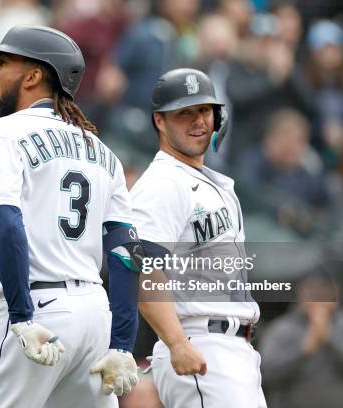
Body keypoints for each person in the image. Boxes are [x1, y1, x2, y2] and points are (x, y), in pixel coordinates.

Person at [0, 25, 141, 407]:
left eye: (3, 62)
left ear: (33, 76)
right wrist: (123, 343)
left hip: (37, 308)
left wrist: (20, 315)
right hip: (95, 316)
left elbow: (5, 221)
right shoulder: (102, 150)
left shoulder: (4, 132)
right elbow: (126, 251)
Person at [132, 68, 266, 407]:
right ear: (160, 121)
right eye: (184, 113)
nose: (198, 122)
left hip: (233, 349)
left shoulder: (208, 181)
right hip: (200, 343)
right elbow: (143, 271)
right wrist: (177, 343)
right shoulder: (162, 183)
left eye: (204, 110)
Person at [260, 269, 343, 408]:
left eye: (325, 289)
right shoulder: (283, 328)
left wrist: (329, 336)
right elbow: (267, 374)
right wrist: (303, 350)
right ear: (301, 293)